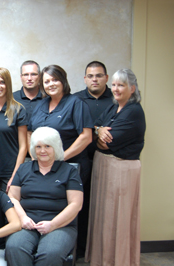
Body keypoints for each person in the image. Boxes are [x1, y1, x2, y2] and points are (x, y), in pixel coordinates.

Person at [86, 69, 146, 266]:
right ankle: (102, 259)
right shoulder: (114, 107)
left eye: (121, 85)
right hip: (105, 169)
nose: (116, 89)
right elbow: (94, 129)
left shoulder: (134, 110)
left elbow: (108, 144)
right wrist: (99, 130)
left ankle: (118, 261)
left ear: (132, 89)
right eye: (114, 85)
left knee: (118, 218)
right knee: (104, 216)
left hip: (122, 170)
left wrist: (98, 136)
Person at [6, 126, 83, 266]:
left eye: (48, 146)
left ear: (56, 147)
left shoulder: (69, 171)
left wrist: (53, 224)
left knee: (50, 253)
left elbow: (76, 204)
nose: (42, 151)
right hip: (27, 224)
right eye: (38, 146)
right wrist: (23, 218)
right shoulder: (23, 169)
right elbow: (12, 198)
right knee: (14, 247)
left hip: (60, 226)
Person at [73, 61, 113, 258]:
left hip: (108, 162)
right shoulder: (75, 100)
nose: (94, 79)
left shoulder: (116, 99)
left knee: (104, 208)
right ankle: (80, 250)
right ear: (85, 79)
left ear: (106, 78)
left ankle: (100, 250)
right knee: (81, 206)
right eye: (91, 76)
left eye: (99, 75)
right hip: (80, 162)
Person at [28, 65, 93, 184]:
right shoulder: (41, 105)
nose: (51, 84)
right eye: (46, 82)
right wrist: (35, 157)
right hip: (44, 168)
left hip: (69, 166)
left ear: (63, 81)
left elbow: (86, 136)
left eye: (55, 80)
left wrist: (59, 158)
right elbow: (30, 132)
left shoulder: (76, 103)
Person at [13, 60, 44, 158]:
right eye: (26, 75)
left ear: (39, 76)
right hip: (17, 154)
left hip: (44, 153)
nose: (29, 78)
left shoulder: (48, 98)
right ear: (21, 77)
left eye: (33, 74)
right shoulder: (11, 99)